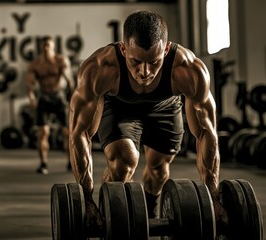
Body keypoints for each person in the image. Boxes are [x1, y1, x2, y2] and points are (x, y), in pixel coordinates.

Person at [69, 10, 226, 233]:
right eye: (135, 61)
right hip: (120, 107)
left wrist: (213, 197)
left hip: (166, 106)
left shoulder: (189, 70)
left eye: (154, 62)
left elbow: (206, 133)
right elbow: (79, 133)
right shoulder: (100, 69)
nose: (144, 72)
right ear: (123, 50)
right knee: (123, 163)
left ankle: (150, 211)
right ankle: (113, 206)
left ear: (166, 49)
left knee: (159, 171)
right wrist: (86, 199)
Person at [26, 36, 74, 175]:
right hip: (44, 99)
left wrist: (73, 98)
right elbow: (29, 83)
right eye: (44, 45)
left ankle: (71, 161)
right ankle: (43, 163)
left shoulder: (61, 61)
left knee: (67, 133)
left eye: (48, 45)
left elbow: (69, 80)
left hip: (59, 98)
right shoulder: (35, 64)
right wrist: (31, 97)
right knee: (43, 133)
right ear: (41, 47)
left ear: (53, 46)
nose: (46, 48)